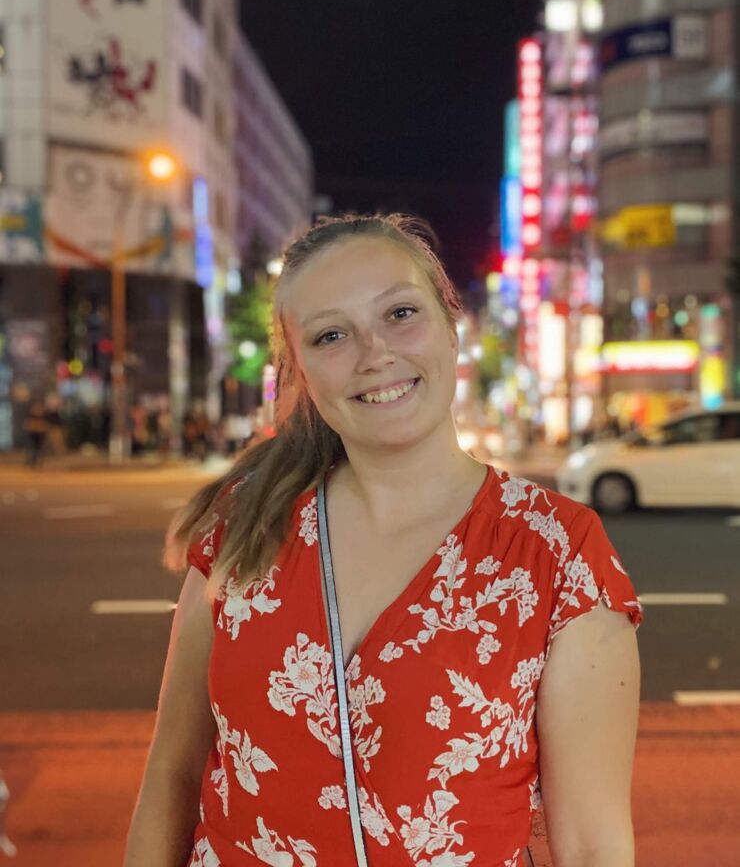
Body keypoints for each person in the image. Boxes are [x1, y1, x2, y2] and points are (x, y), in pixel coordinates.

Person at [125, 213, 643, 867]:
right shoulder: (247, 520)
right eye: (331, 335)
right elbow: (173, 771)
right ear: (302, 374)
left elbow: (594, 847)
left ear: (453, 328)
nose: (375, 354)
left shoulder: (557, 551)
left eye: (400, 313)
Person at [22, 400, 49, 467]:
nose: (37, 409)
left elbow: (45, 426)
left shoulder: (44, 416)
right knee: (31, 448)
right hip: (31, 435)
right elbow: (27, 425)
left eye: (39, 408)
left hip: (39, 435)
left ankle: (37, 462)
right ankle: (30, 461)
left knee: (38, 449)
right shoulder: (29, 416)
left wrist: (39, 427)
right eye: (36, 407)